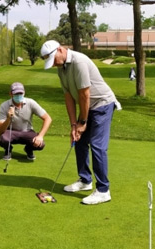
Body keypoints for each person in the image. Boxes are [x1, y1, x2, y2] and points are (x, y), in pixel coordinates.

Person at [40, 40, 121, 205]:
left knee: (97, 145)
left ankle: (103, 190)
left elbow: (85, 94)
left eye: (54, 59)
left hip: (102, 104)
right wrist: (73, 125)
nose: (54, 64)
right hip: (88, 106)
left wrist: (82, 121)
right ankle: (85, 180)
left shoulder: (79, 62)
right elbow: (69, 97)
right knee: (79, 141)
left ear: (61, 50)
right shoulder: (61, 69)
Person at [0, 82, 52, 161]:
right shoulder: (4, 105)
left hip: (27, 131)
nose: (19, 95)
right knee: (2, 139)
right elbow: (0, 130)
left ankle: (28, 149)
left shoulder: (31, 103)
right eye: (16, 93)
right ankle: (8, 150)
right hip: (11, 132)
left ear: (24, 92)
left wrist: (40, 136)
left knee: (40, 144)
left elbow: (48, 118)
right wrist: (8, 118)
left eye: (21, 93)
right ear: (11, 94)